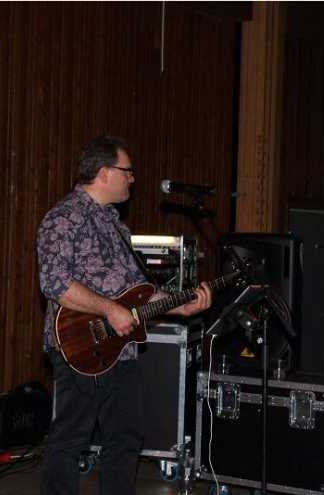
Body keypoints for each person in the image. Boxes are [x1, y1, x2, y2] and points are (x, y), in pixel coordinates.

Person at [36, 135, 212, 495]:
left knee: (126, 437)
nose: (132, 178)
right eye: (127, 171)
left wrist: (181, 305)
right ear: (104, 173)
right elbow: (54, 283)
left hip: (122, 349)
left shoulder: (115, 225)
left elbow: (139, 292)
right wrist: (109, 309)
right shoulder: (63, 218)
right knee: (71, 438)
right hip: (80, 346)